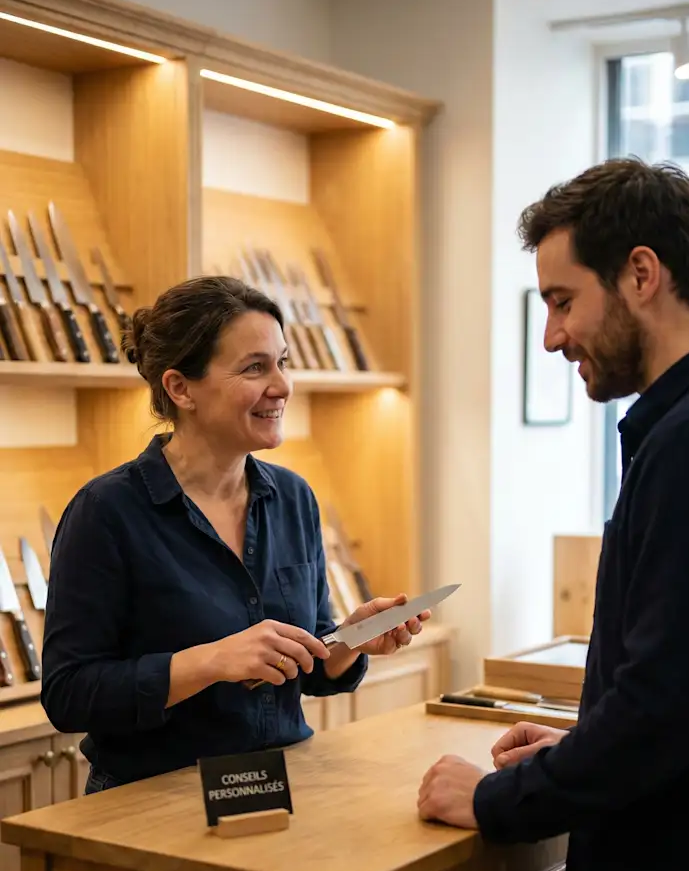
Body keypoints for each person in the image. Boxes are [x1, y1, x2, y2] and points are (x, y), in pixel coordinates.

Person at [417, 159, 689, 871]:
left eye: (562, 301)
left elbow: (666, 709)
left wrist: (497, 800)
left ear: (642, 274)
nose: (552, 337)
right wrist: (579, 748)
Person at [41, 275, 429, 793]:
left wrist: (350, 640)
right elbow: (68, 695)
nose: (283, 385)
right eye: (254, 368)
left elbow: (307, 666)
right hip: (149, 800)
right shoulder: (105, 512)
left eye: (282, 362)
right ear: (180, 388)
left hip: (279, 788)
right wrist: (209, 661)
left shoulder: (294, 498)